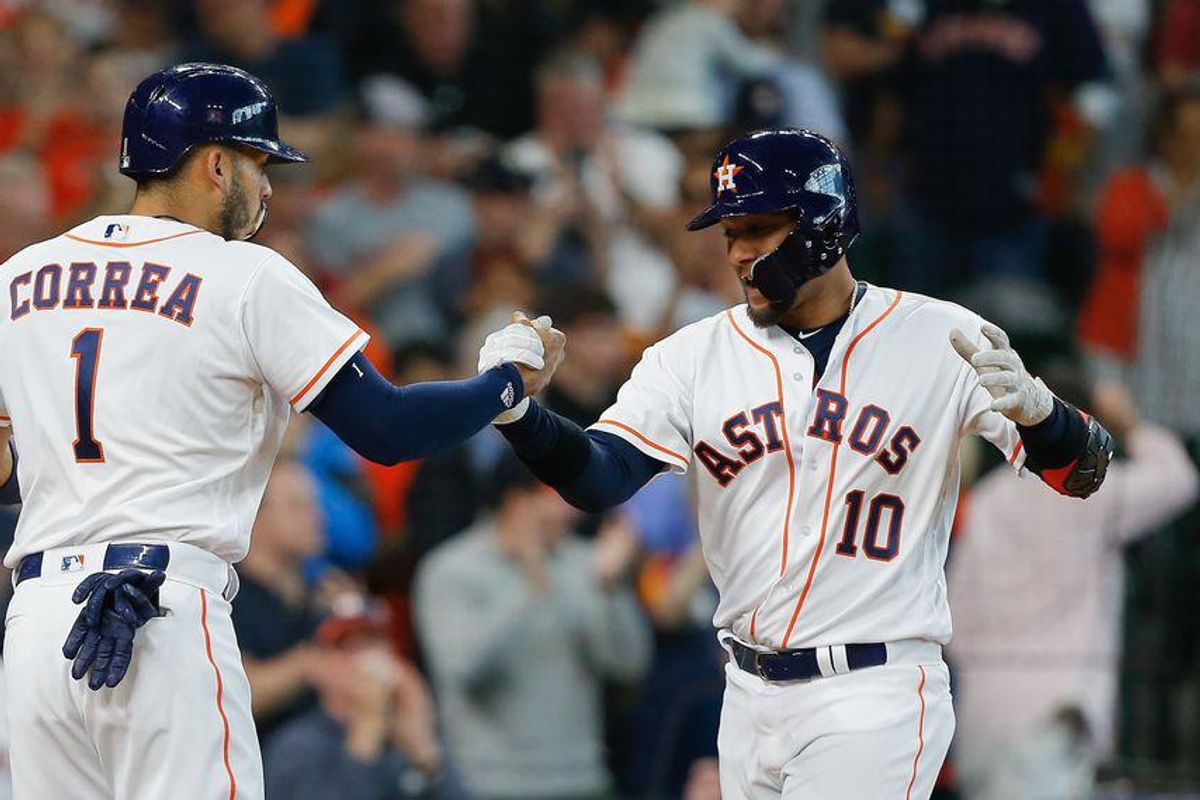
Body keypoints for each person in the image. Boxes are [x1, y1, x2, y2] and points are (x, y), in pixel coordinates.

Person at [488, 128, 1114, 799]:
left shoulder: (940, 335)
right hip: (746, 695)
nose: (738, 253)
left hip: (874, 691)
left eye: (759, 228)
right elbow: (600, 476)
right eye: (729, 232)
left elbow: (1080, 473)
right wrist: (521, 415)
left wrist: (1041, 412)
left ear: (825, 224)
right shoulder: (690, 356)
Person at [0, 62, 561, 800]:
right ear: (215, 162)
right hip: (162, 614)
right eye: (260, 164)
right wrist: (506, 382)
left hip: (37, 625)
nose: (267, 188)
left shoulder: (20, 276)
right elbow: (385, 428)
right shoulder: (244, 275)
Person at [949, 377, 1198, 800]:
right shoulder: (1091, 492)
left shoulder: (987, 500)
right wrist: (1129, 422)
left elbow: (951, 618)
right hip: (1051, 720)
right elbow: (1178, 478)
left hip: (980, 719)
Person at [413, 453, 651, 800]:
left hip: (582, 777)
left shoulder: (585, 563)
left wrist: (607, 590)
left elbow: (628, 664)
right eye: (561, 494)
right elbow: (463, 669)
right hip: (489, 784)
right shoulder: (450, 570)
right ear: (517, 502)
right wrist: (529, 582)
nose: (574, 509)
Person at [263, 599, 471, 800]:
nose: (366, 659)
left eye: (373, 643)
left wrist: (425, 752)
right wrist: (367, 727)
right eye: (349, 648)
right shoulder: (298, 746)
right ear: (323, 664)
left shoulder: (406, 731)